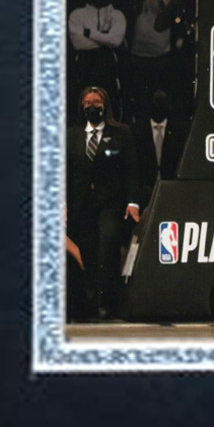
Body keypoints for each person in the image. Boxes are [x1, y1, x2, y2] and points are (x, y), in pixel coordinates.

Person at [65, 85, 133, 321]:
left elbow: (130, 171)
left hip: (109, 203)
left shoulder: (121, 132)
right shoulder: (71, 135)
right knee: (86, 252)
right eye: (87, 103)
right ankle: (87, 303)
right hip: (80, 204)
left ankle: (106, 301)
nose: (92, 106)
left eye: (96, 102)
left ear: (105, 105)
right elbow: (65, 172)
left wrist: (133, 202)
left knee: (107, 247)